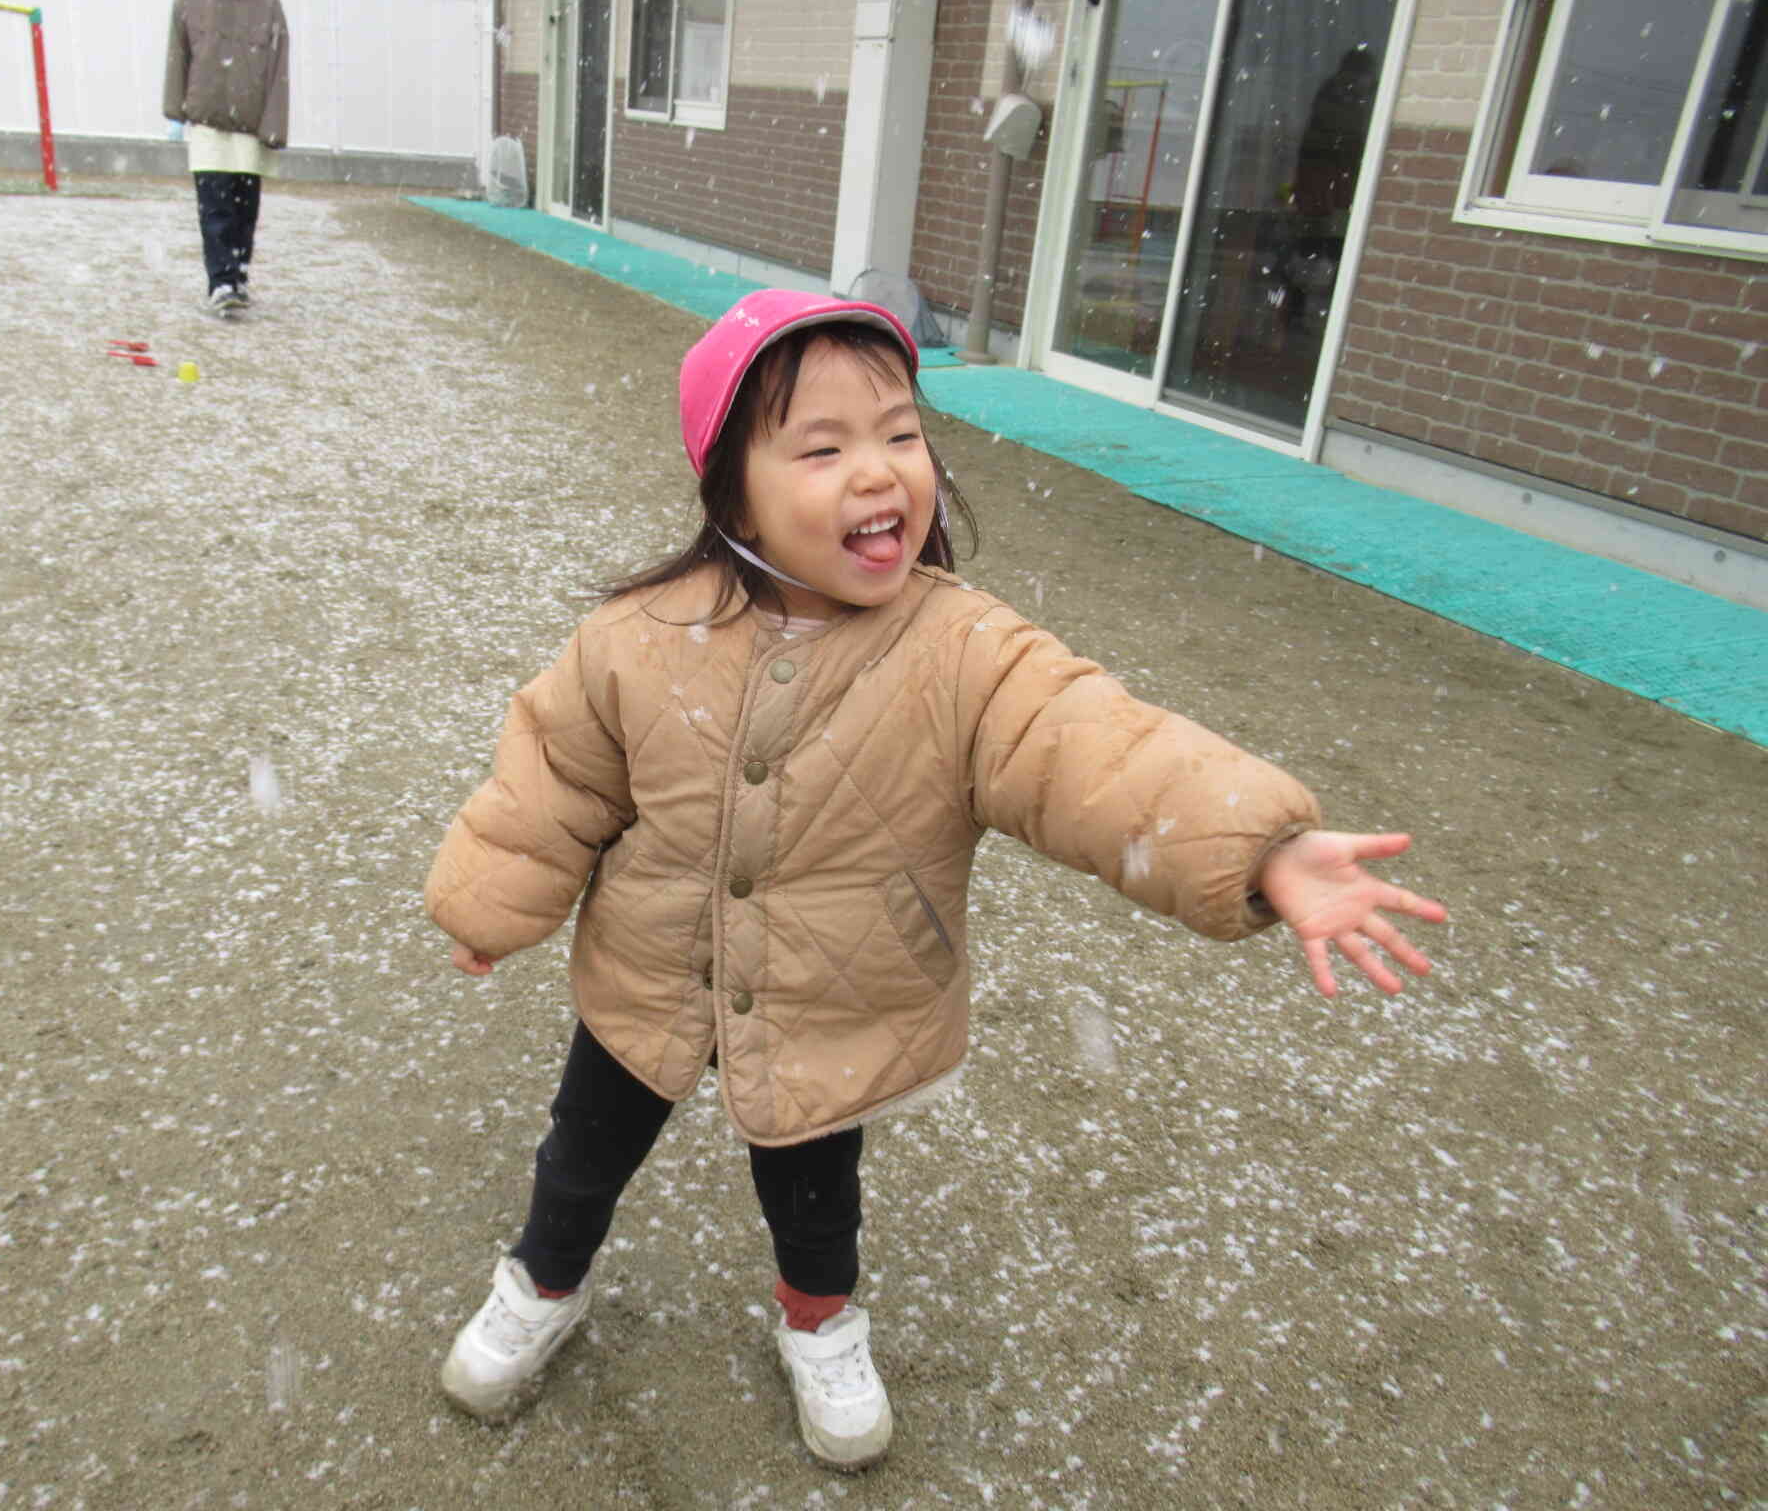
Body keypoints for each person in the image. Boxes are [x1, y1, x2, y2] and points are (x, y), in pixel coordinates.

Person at [423, 289, 1446, 1471]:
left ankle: (819, 1321)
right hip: (648, 971)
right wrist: (491, 904)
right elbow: (557, 775)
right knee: (580, 1153)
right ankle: (545, 1283)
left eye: (899, 435)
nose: (879, 474)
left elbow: (1094, 746)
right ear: (729, 488)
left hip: (839, 992)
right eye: (822, 447)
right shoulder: (637, 637)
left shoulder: (961, 652)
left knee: (814, 1193)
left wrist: (1256, 848)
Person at [162, 0, 290, 316]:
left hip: (250, 122)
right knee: (215, 207)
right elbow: (178, 52)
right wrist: (175, 111)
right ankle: (221, 281)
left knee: (244, 209)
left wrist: (275, 124)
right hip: (207, 119)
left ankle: (238, 276)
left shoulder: (268, 2)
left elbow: (279, 67)